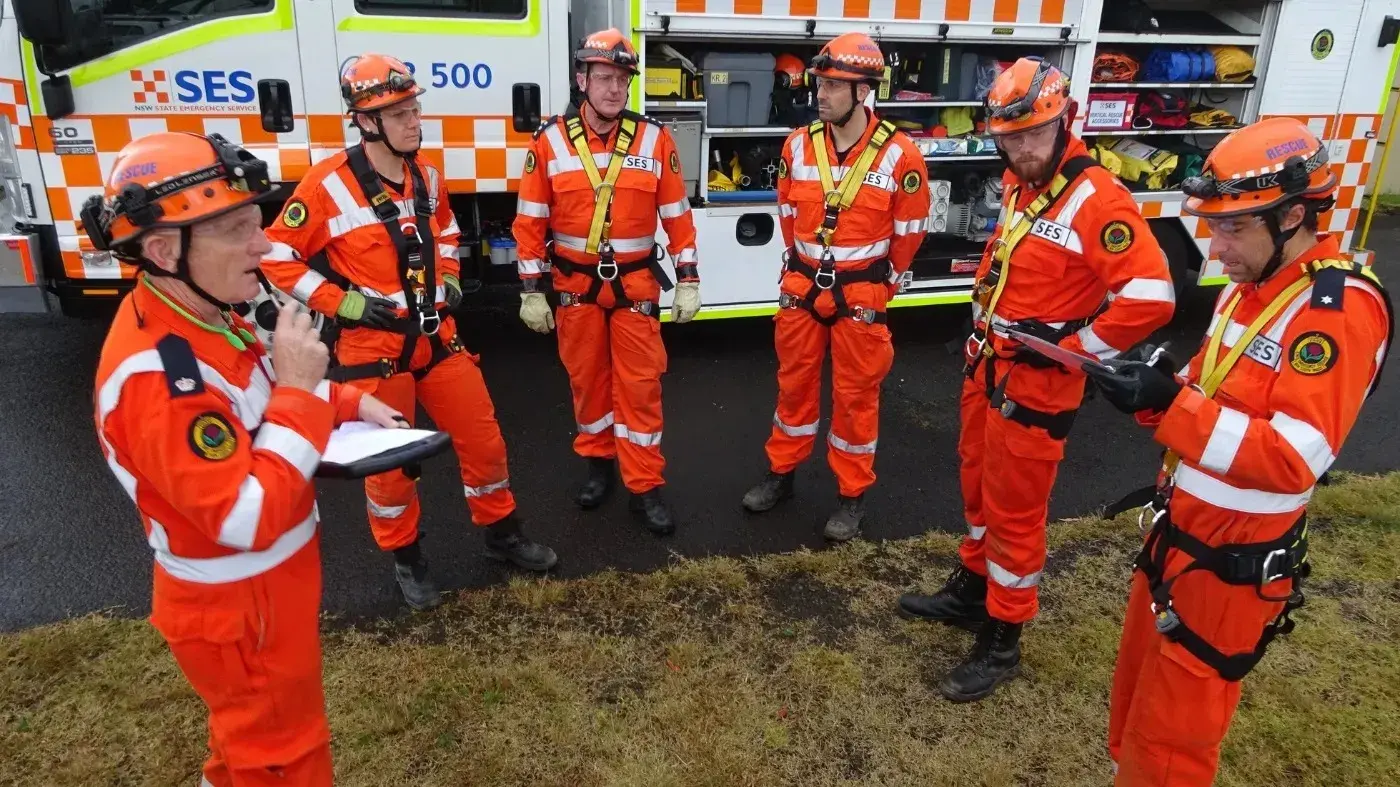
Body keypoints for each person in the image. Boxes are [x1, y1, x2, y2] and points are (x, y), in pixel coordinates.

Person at [85, 131, 408, 785]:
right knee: (286, 757)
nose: (264, 245)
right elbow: (242, 515)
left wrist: (343, 399)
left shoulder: (203, 311)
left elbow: (258, 389)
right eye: (237, 230)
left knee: (245, 746)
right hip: (237, 606)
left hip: (260, 596)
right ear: (162, 249)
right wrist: (297, 391)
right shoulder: (155, 374)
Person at [1086, 117, 1393, 785]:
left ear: (1291, 216)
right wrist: (1154, 391)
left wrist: (1174, 406)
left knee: (1174, 738)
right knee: (1138, 706)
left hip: (1231, 559)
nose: (1214, 244)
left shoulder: (1334, 312)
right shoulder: (1249, 289)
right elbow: (1209, 394)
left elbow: (1293, 454)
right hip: (1182, 533)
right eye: (1213, 224)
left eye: (1232, 227)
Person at [895, 56, 1176, 702]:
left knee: (1016, 513)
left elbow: (1154, 293)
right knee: (977, 486)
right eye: (1008, 137)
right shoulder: (1026, 182)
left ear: (1062, 119)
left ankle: (1003, 635)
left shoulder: (1095, 196)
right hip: (990, 366)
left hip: (1037, 385)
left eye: (1031, 134)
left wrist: (1074, 349)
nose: (1019, 148)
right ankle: (972, 587)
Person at [261, 53, 557, 611]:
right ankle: (406, 556)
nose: (414, 122)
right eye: (399, 114)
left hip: (437, 337)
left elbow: (445, 231)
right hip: (373, 347)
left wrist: (448, 278)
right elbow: (277, 255)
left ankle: (502, 535)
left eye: (415, 110)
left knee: (484, 442)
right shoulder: (328, 185)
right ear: (366, 122)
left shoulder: (428, 177)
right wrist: (341, 302)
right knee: (392, 470)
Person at [739, 32, 931, 541]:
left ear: (863, 92)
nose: (819, 93)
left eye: (833, 86)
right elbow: (786, 212)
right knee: (793, 388)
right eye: (819, 83)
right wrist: (802, 265)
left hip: (863, 292)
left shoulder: (900, 155)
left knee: (856, 398)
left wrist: (879, 285)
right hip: (802, 286)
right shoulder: (797, 146)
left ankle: (851, 496)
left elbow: (910, 233)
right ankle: (781, 474)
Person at [511, 28, 702, 535]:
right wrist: (531, 292)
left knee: (640, 389)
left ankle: (645, 487)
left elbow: (678, 217)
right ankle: (599, 467)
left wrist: (688, 277)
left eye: (621, 79)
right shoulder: (548, 142)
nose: (614, 89)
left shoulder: (655, 139)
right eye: (603, 78)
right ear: (582, 80)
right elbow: (529, 222)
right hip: (575, 288)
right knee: (587, 385)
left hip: (637, 288)